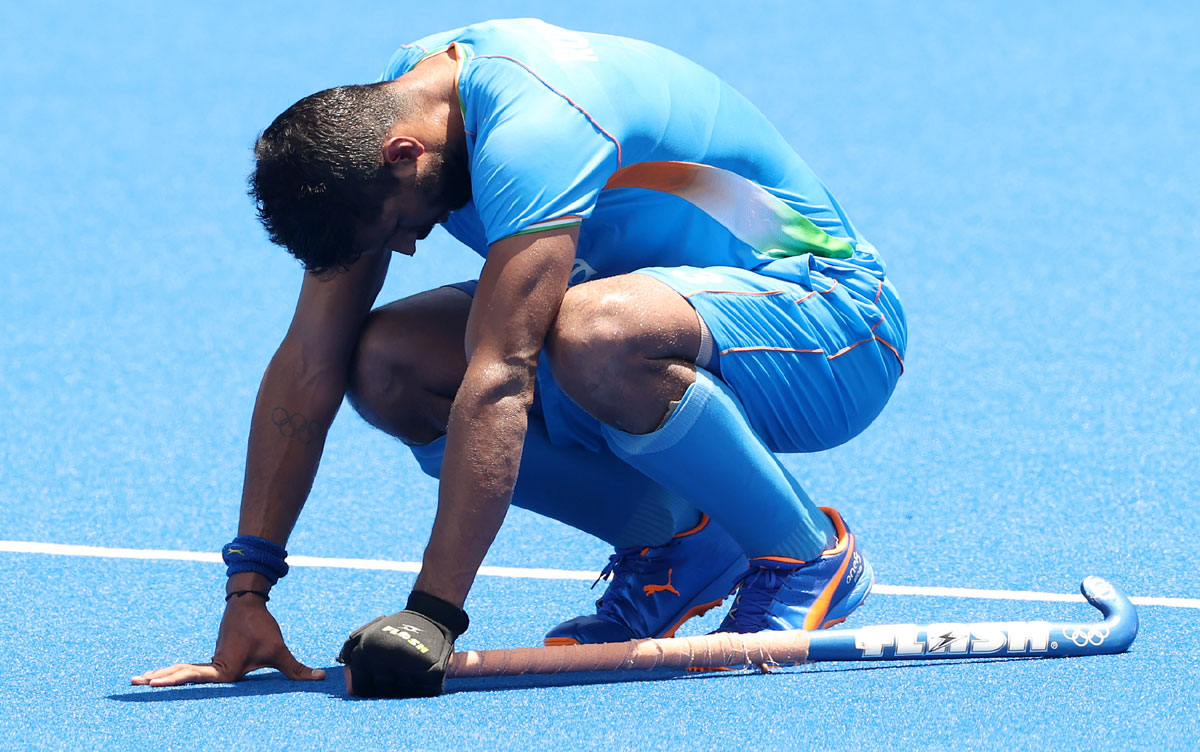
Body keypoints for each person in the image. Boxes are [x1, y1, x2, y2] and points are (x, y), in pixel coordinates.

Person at [131, 18, 906, 698]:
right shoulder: (393, 125)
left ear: (402, 155)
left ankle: (805, 555)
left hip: (834, 330)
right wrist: (248, 594)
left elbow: (501, 374)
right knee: (386, 364)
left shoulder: (538, 128)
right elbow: (311, 360)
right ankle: (685, 540)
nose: (406, 246)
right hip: (648, 313)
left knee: (587, 335)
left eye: (399, 225)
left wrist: (431, 615)